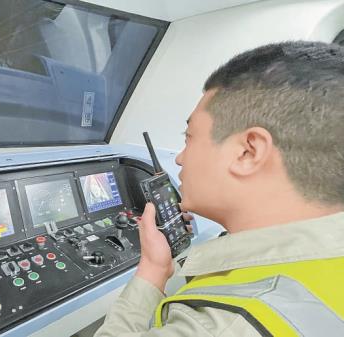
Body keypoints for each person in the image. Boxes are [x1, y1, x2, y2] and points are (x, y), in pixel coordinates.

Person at [95, 41, 344, 337]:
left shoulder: (223, 326)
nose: (179, 158)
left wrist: (152, 271)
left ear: (248, 152)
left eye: (189, 137)